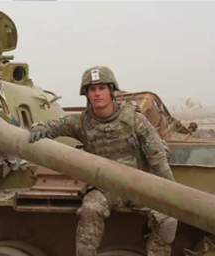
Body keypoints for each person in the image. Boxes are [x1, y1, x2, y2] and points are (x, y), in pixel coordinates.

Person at [29, 66, 177, 256]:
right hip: (105, 188)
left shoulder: (134, 120)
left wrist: (171, 192)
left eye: (101, 88)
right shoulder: (81, 122)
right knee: (90, 210)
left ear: (111, 91)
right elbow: (51, 126)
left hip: (139, 185)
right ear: (87, 95)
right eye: (92, 89)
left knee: (168, 220)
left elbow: (157, 156)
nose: (97, 94)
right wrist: (39, 128)